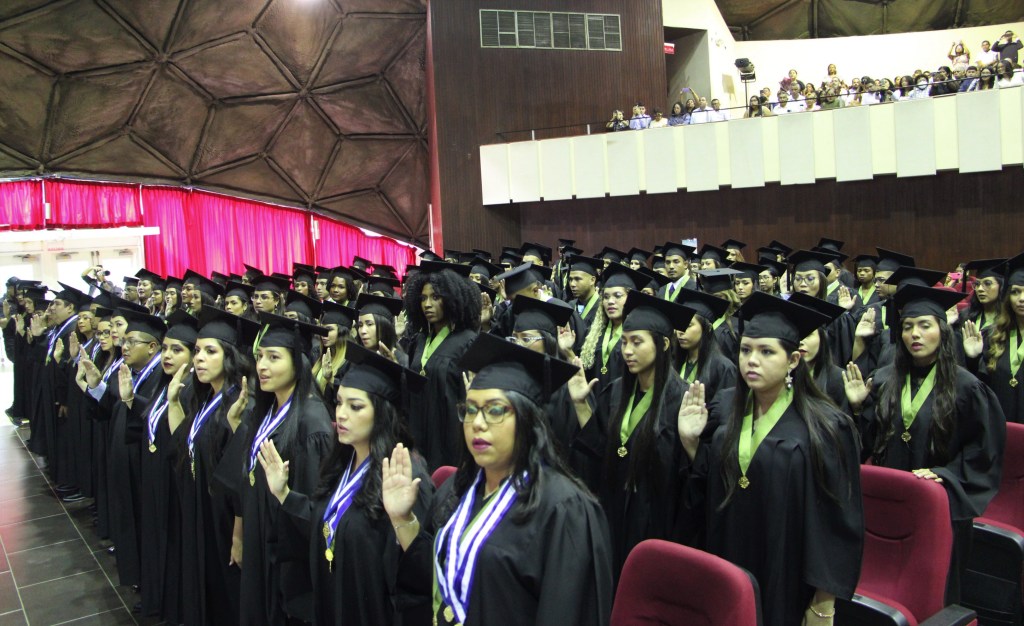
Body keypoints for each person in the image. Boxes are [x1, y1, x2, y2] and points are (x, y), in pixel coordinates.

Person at [386, 332, 614, 626]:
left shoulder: (565, 510)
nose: (477, 423)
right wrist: (402, 518)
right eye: (469, 410)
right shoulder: (458, 492)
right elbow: (441, 575)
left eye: (495, 410)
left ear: (528, 419)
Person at [680, 292, 864, 626]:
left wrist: (824, 603)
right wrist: (692, 443)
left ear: (793, 360)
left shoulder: (825, 426)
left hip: (790, 575)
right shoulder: (728, 414)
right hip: (731, 559)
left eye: (766, 352)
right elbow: (711, 493)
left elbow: (836, 521)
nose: (752, 360)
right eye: (746, 350)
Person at [844, 284, 1006, 604]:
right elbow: (869, 445)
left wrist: (947, 474)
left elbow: (983, 450)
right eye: (907, 327)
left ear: (942, 332)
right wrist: (858, 409)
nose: (914, 334)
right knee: (888, 586)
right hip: (892, 505)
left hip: (941, 505)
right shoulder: (887, 378)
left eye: (924, 325)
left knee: (934, 592)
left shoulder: (966, 387)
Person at [260, 342, 433, 625]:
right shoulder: (343, 463)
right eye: (339, 403)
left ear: (382, 412)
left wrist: (403, 519)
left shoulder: (405, 475)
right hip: (334, 600)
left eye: (355, 407)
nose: (340, 414)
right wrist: (285, 494)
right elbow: (328, 524)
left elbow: (416, 571)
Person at [573, 291, 694, 574]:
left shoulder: (684, 400)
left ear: (664, 343)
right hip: (612, 517)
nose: (627, 351)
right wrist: (580, 405)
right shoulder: (616, 391)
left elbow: (690, 480)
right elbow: (594, 453)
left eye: (637, 342)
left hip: (658, 526)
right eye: (625, 342)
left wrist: (692, 443)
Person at [235, 313, 335, 625]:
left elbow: (309, 507)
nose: (261, 366)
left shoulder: (311, 423)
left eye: (273, 357)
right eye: (259, 356)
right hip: (261, 538)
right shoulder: (269, 410)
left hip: (286, 556)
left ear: (299, 362)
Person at [167, 307, 257, 626]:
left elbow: (242, 480)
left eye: (210, 351)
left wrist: (238, 536)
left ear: (229, 357)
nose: (199, 359)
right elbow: (183, 444)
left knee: (227, 595)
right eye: (197, 351)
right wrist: (173, 402)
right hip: (205, 511)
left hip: (225, 521)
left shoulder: (240, 403)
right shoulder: (205, 399)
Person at [402, 261, 480, 469]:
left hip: (450, 436)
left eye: (436, 298)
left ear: (452, 299)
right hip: (418, 432)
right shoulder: (419, 341)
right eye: (424, 298)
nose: (427, 304)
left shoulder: (467, 342)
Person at [969, 252, 1024, 423]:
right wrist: (973, 358)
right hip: (999, 426)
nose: (1021, 299)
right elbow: (981, 387)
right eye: (1015, 292)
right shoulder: (993, 335)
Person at [580, 264, 649, 394]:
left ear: (631, 299)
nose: (610, 301)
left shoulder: (640, 335)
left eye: (617, 296)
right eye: (606, 297)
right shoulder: (593, 333)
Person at [674, 289, 736, 401]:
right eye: (679, 324)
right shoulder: (674, 362)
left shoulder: (723, 368)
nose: (680, 331)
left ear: (707, 328)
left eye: (688, 325)